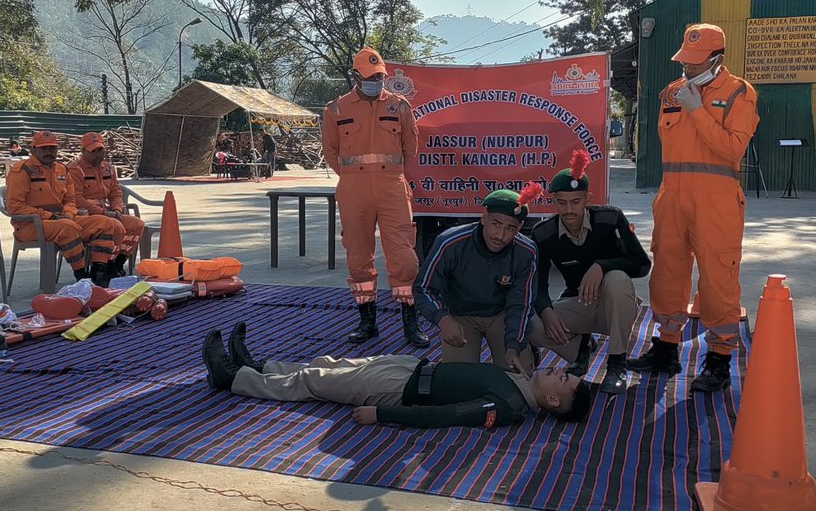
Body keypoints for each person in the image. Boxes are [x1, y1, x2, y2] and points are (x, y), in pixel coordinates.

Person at [627, 23, 759, 393]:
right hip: (672, 196)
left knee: (718, 278)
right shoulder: (672, 92)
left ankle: (718, 358)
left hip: (716, 200)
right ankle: (666, 349)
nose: (687, 68)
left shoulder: (739, 93)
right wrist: (690, 101)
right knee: (667, 271)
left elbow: (732, 149)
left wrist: (698, 110)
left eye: (696, 62)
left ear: (718, 58)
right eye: (685, 60)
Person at [201, 322, 591, 428]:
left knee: (313, 382)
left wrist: (381, 415)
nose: (559, 371)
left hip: (397, 390)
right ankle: (259, 365)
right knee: (330, 365)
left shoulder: (505, 408)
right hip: (411, 368)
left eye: (563, 380)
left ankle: (232, 379)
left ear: (553, 401)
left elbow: (442, 417)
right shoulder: (519, 383)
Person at [323, 45, 429, 348]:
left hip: (391, 184)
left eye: (380, 76)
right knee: (358, 257)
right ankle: (367, 321)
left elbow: (411, 146)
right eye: (370, 76)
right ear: (356, 76)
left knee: (404, 257)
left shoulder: (400, 106)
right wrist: (354, 175)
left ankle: (410, 321)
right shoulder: (337, 109)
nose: (376, 80)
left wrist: (388, 173)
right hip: (353, 187)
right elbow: (331, 151)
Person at [527, 150, 651, 395]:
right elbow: (536, 286)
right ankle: (581, 348)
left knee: (617, 279)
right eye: (562, 202)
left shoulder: (610, 218)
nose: (569, 209)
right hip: (577, 303)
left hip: (613, 306)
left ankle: (617, 364)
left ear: (587, 199)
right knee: (531, 325)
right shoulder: (543, 233)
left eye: (575, 201)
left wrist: (602, 266)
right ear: (554, 201)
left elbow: (641, 264)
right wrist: (546, 310)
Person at [415, 186, 542, 376]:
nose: (500, 235)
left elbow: (521, 304)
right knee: (458, 379)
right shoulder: (449, 242)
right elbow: (423, 288)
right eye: (496, 224)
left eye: (510, 228)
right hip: (460, 315)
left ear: (520, 228)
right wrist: (442, 319)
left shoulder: (527, 251)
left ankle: (527, 350)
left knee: (519, 376)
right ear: (484, 217)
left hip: (502, 314)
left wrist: (514, 345)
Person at [4, 130, 119, 286]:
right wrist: (50, 216)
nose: (48, 152)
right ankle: (81, 276)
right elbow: (15, 207)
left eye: (52, 148)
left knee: (105, 223)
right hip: (30, 225)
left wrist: (68, 213)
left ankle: (98, 275)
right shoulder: (22, 170)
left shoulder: (62, 169)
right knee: (68, 227)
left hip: (63, 220)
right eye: (43, 148)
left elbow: (70, 200)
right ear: (33, 150)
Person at [68, 132, 144, 277]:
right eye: (93, 151)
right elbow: (77, 199)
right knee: (115, 226)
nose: (98, 154)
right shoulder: (74, 169)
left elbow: (115, 193)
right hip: (84, 216)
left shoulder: (108, 168)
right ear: (83, 151)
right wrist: (105, 213)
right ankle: (101, 268)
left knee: (137, 225)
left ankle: (117, 264)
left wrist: (117, 209)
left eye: (100, 150)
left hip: (108, 213)